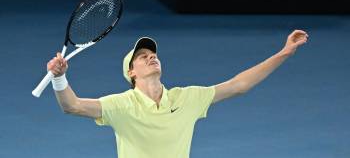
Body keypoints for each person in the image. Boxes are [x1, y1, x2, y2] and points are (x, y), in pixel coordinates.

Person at [48, 29, 308, 158]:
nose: (151, 57)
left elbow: (239, 85)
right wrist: (59, 78)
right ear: (132, 73)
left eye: (153, 55)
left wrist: (284, 52)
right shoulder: (120, 105)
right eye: (142, 57)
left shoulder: (186, 98)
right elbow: (73, 106)